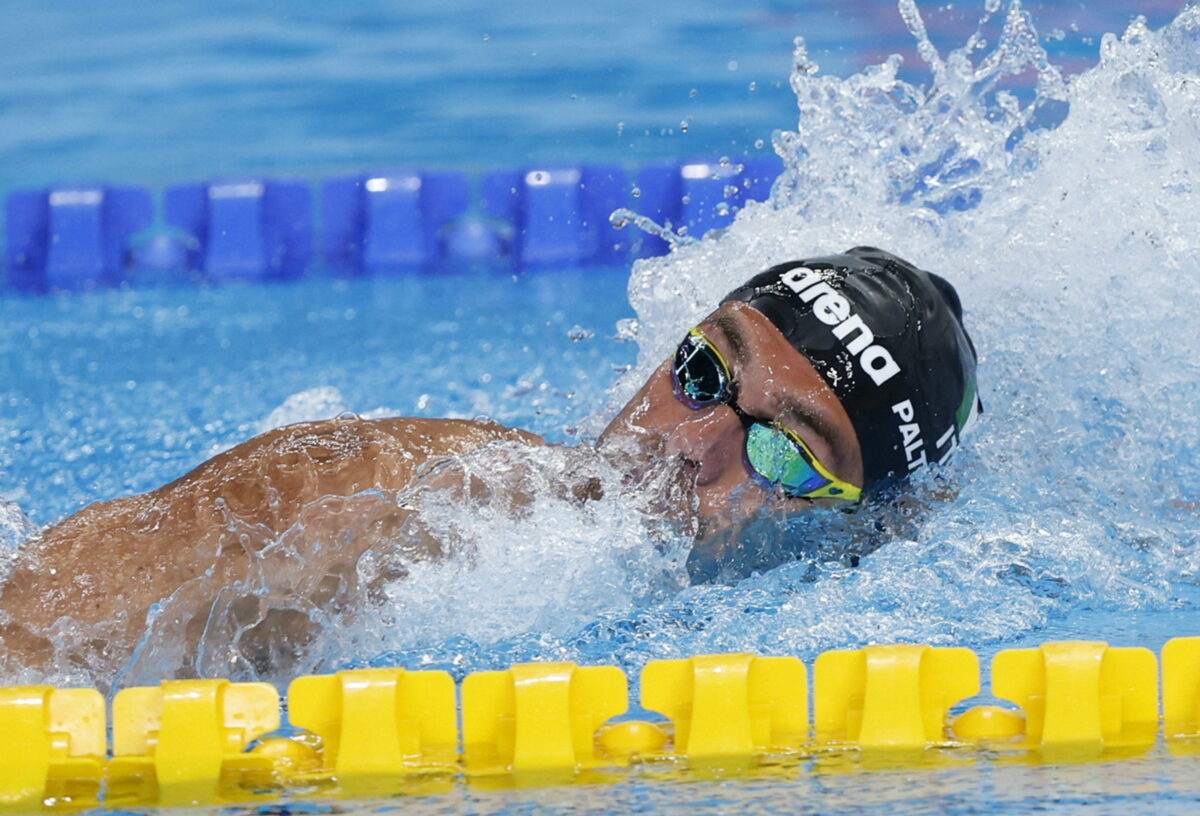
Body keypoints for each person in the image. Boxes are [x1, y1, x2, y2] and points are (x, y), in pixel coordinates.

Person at [0, 246, 980, 678]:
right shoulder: (391, 497)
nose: (688, 444)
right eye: (702, 370)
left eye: (785, 451)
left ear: (861, 529)